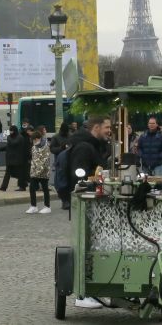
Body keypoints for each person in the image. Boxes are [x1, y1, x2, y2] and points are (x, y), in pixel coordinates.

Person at [65, 115, 111, 308]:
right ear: (96, 127)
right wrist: (95, 179)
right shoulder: (84, 147)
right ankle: (83, 295)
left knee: (95, 248)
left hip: (94, 206)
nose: (109, 130)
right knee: (86, 248)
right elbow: (79, 177)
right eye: (107, 127)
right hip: (86, 206)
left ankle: (97, 290)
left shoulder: (93, 145)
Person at [25, 131, 52, 214]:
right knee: (32, 188)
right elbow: (33, 159)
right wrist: (33, 170)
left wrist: (39, 170)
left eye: (34, 140)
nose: (33, 142)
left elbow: (46, 160)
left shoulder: (46, 146)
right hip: (34, 171)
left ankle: (47, 206)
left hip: (44, 172)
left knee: (45, 188)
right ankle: (33, 206)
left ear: (37, 139)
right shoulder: (34, 147)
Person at [0, 126, 24, 192]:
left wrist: (8, 138)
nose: (11, 132)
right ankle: (3, 187)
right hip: (10, 159)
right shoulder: (11, 137)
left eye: (12, 131)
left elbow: (14, 143)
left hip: (17, 159)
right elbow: (9, 145)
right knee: (7, 173)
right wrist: (2, 149)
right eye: (10, 131)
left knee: (20, 173)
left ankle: (22, 186)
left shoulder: (20, 137)